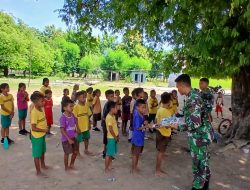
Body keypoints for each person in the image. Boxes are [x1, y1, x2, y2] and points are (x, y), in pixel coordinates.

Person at [171, 74, 213, 190]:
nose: (177, 89)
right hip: (200, 136)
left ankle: (198, 187)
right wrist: (172, 118)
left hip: (199, 137)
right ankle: (205, 186)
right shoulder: (192, 96)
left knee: (199, 165)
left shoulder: (193, 98)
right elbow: (185, 112)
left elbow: (195, 124)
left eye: (178, 87)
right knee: (203, 163)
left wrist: (177, 127)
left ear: (182, 85)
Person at [30, 92, 49, 175]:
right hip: (36, 136)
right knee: (37, 155)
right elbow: (33, 127)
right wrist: (44, 130)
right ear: (35, 102)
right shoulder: (34, 112)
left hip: (42, 135)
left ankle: (43, 165)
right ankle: (38, 171)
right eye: (42, 101)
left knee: (42, 151)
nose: (44, 102)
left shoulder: (41, 109)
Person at [155, 92, 172, 176]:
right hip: (164, 134)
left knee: (160, 151)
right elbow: (167, 126)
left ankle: (158, 168)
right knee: (160, 153)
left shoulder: (159, 110)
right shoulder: (167, 112)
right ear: (169, 101)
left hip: (158, 132)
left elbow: (156, 121)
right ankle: (157, 170)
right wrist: (173, 125)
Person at [131, 99, 149, 174]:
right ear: (137, 107)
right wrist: (147, 126)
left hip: (138, 137)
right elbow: (138, 127)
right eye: (142, 107)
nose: (144, 109)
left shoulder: (138, 113)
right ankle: (134, 169)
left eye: (145, 107)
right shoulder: (137, 116)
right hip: (138, 138)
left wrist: (144, 122)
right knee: (136, 154)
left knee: (137, 153)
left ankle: (135, 166)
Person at [60, 99, 79, 170]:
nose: (72, 108)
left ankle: (71, 164)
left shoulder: (72, 115)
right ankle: (66, 166)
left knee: (75, 152)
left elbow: (75, 121)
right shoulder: (63, 117)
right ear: (64, 108)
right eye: (70, 106)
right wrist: (68, 139)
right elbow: (62, 129)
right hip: (66, 139)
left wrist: (77, 129)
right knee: (67, 153)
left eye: (73, 106)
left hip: (74, 137)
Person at [73, 90, 92, 156]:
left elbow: (88, 115)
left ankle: (86, 149)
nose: (84, 98)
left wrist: (89, 124)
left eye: (84, 97)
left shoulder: (86, 105)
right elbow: (75, 118)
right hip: (79, 128)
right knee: (78, 140)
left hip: (86, 127)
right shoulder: (76, 107)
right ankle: (77, 152)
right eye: (82, 97)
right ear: (78, 98)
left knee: (86, 138)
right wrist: (77, 127)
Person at [105, 101, 119, 176]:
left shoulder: (112, 116)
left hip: (113, 137)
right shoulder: (109, 117)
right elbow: (110, 129)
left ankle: (110, 166)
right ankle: (106, 168)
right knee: (108, 154)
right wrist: (115, 137)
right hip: (111, 138)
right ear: (111, 108)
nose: (118, 109)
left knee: (111, 154)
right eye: (116, 108)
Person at [101, 89, 115, 158]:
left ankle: (107, 153)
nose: (112, 98)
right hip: (106, 125)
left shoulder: (111, 104)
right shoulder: (108, 105)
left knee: (108, 139)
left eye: (113, 96)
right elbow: (105, 117)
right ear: (107, 97)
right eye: (111, 96)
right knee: (107, 139)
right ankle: (105, 153)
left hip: (108, 124)